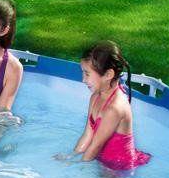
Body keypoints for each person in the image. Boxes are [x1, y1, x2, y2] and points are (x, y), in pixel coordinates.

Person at [55, 41, 152, 169]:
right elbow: (88, 134)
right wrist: (71, 156)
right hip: (101, 158)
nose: (83, 79)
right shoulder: (95, 97)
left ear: (108, 74)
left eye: (87, 73)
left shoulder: (115, 108)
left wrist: (76, 167)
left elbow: (96, 146)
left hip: (118, 167)